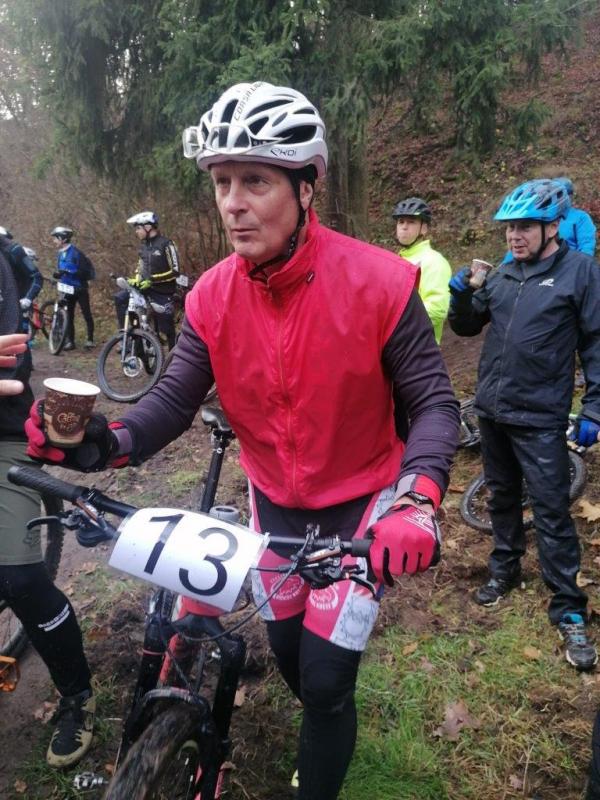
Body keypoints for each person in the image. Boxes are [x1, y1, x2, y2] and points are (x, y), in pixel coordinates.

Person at [25, 81, 459, 800]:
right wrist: (104, 443)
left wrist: (417, 500)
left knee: (326, 681)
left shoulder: (383, 283)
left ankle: (322, 757)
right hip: (273, 503)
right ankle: (318, 719)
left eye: (255, 180)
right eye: (223, 182)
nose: (232, 202)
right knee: (290, 655)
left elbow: (435, 404)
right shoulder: (212, 295)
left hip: (361, 506)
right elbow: (172, 400)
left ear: (306, 187)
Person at [448, 178, 600, 671]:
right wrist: (460, 296)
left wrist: (594, 408)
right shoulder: (505, 273)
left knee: (552, 511)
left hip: (540, 416)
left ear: (553, 227)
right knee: (502, 497)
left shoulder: (580, 272)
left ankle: (569, 608)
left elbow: (596, 342)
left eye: (525, 227)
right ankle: (505, 569)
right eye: (510, 228)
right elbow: (467, 326)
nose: (515, 236)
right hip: (493, 410)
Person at [0, 250, 95, 767]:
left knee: (19, 578)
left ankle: (77, 694)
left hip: (3, 434)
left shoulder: (4, 259)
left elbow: (12, 361)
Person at [115, 211, 180, 350]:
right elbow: (141, 267)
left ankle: (174, 356)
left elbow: (175, 271)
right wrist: (137, 279)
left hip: (163, 291)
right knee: (121, 298)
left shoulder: (167, 244)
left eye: (138, 228)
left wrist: (152, 280)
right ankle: (129, 340)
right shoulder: (143, 247)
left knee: (167, 328)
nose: (136, 232)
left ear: (148, 227)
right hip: (145, 289)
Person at [392, 198, 451, 343]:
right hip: (395, 347)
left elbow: (437, 310)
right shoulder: (394, 260)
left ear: (423, 228)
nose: (404, 227)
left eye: (411, 222)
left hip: (420, 348)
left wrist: (395, 320)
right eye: (401, 222)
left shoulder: (434, 261)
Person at [51, 226, 95, 350]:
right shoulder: (60, 254)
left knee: (86, 313)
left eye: (56, 238)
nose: (54, 241)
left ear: (63, 239)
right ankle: (70, 341)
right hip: (67, 288)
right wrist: (58, 275)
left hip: (79, 288)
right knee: (69, 315)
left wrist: (67, 271)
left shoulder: (76, 253)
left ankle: (90, 339)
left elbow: (84, 272)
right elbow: (61, 269)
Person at [0, 226, 43, 331]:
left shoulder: (14, 250)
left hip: (18, 305)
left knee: (20, 336)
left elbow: (36, 277)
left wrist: (27, 299)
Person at [557, 177, 596, 256]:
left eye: (563, 195)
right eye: (557, 195)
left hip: (571, 261)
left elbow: (586, 248)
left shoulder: (581, 218)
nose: (559, 198)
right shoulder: (544, 217)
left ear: (570, 196)